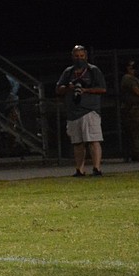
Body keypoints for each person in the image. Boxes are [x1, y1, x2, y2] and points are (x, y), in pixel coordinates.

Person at [56, 45, 107, 177]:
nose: (79, 59)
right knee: (77, 142)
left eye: (81, 56)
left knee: (93, 140)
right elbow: (58, 89)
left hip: (89, 110)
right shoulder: (68, 72)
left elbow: (102, 89)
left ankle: (96, 168)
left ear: (86, 56)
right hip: (73, 112)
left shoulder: (93, 70)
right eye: (77, 56)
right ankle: (80, 169)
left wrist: (86, 90)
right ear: (72, 57)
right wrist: (69, 88)